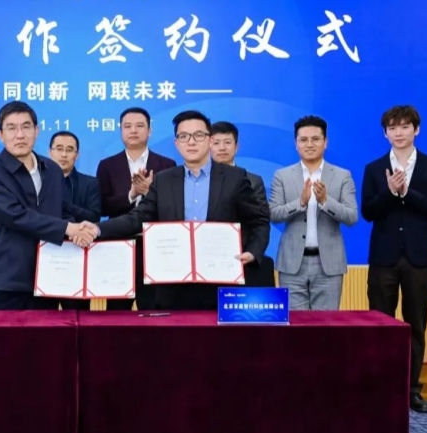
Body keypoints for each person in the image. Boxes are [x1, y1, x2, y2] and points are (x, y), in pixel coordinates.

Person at [79, 111, 270, 310]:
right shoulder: (163, 180)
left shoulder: (235, 177)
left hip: (221, 279)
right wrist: (97, 229)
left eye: (198, 135)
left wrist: (253, 251)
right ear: (176, 143)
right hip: (173, 281)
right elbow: (137, 217)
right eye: (184, 136)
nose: (191, 142)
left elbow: (258, 220)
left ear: (210, 140)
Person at [362, 104, 427, 414]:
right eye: (392, 128)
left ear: (416, 130)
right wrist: (389, 192)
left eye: (404, 127)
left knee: (416, 325)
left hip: (419, 258)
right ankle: (380, 387)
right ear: (385, 133)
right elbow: (368, 211)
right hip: (383, 258)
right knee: (379, 324)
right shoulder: (374, 168)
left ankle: (412, 390)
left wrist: (407, 192)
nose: (398, 133)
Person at [0, 101, 87, 310]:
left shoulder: (52, 169)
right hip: (6, 282)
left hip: (48, 279)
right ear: (0, 135)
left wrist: (79, 230)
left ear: (37, 131)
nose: (20, 135)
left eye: (26, 127)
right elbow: (16, 216)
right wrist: (68, 228)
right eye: (11, 128)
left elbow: (59, 209)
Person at [269, 116, 358, 310]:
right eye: (303, 140)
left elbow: (351, 217)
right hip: (292, 263)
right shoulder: (282, 176)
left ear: (325, 142)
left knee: (326, 325)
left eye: (315, 139)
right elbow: (273, 214)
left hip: (329, 265)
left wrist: (325, 201)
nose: (309, 144)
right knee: (295, 324)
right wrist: (300, 203)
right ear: (296, 144)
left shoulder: (342, 176)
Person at [95, 107, 176, 310]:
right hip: (119, 247)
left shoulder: (167, 164)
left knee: (154, 309)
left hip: (156, 248)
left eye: (139, 126)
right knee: (117, 311)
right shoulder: (107, 165)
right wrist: (131, 194)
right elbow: (101, 207)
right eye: (127, 126)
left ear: (149, 130)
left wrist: (150, 192)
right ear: (120, 130)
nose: (133, 130)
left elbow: (173, 207)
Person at [210, 121, 275, 287]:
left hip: (241, 258)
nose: (222, 148)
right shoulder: (198, 180)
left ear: (236, 146)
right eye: (216, 143)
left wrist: (253, 252)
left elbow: (261, 220)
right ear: (208, 146)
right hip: (208, 259)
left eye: (227, 142)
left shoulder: (253, 180)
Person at [49, 130, 101, 310]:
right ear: (50, 152)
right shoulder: (38, 182)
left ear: (77, 155)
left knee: (78, 315)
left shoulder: (90, 183)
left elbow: (94, 216)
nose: (64, 154)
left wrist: (63, 205)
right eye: (59, 149)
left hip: (79, 255)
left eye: (69, 150)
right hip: (47, 255)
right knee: (44, 317)